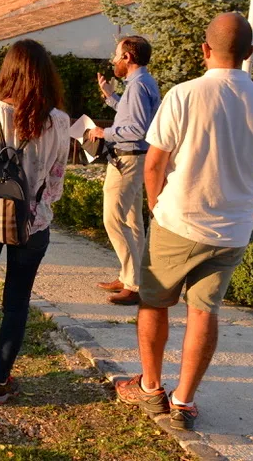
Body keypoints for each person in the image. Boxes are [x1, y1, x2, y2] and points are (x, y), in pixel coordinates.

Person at [115, 13, 253, 432]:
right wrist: (250, 205)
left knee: (155, 303)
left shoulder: (183, 95)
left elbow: (154, 164)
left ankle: (152, 389)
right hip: (232, 230)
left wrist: (157, 208)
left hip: (178, 220)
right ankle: (185, 402)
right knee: (204, 311)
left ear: (205, 50)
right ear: (248, 54)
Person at [0, 39, 70, 403]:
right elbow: (55, 186)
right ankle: (1, 381)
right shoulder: (58, 121)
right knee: (17, 303)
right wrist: (33, 202)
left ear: (7, 71)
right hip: (32, 224)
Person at [87, 36, 162, 306]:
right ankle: (132, 276)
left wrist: (102, 132)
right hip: (133, 158)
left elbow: (138, 129)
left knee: (113, 220)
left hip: (127, 160)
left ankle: (134, 283)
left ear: (128, 58)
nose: (113, 60)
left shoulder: (139, 86)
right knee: (132, 222)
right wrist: (111, 96)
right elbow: (132, 117)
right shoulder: (140, 84)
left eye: (116, 55)